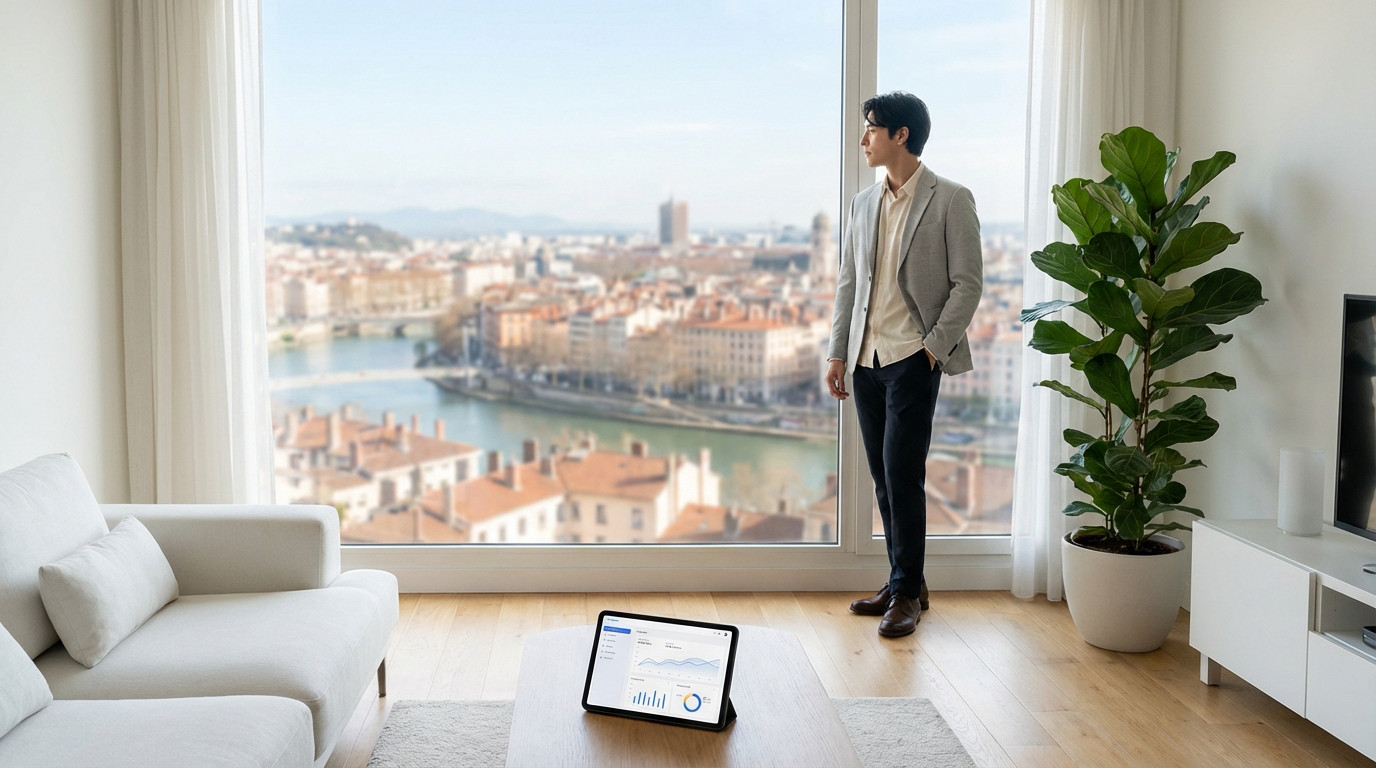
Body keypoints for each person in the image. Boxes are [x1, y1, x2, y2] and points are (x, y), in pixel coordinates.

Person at [825, 92, 983, 638]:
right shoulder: (862, 203)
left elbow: (968, 284)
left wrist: (933, 349)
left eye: (871, 129)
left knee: (903, 475)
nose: (863, 138)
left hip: (913, 358)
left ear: (901, 136)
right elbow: (850, 281)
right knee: (884, 480)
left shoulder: (951, 199)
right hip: (867, 359)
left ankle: (908, 594)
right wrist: (838, 351)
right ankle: (903, 582)